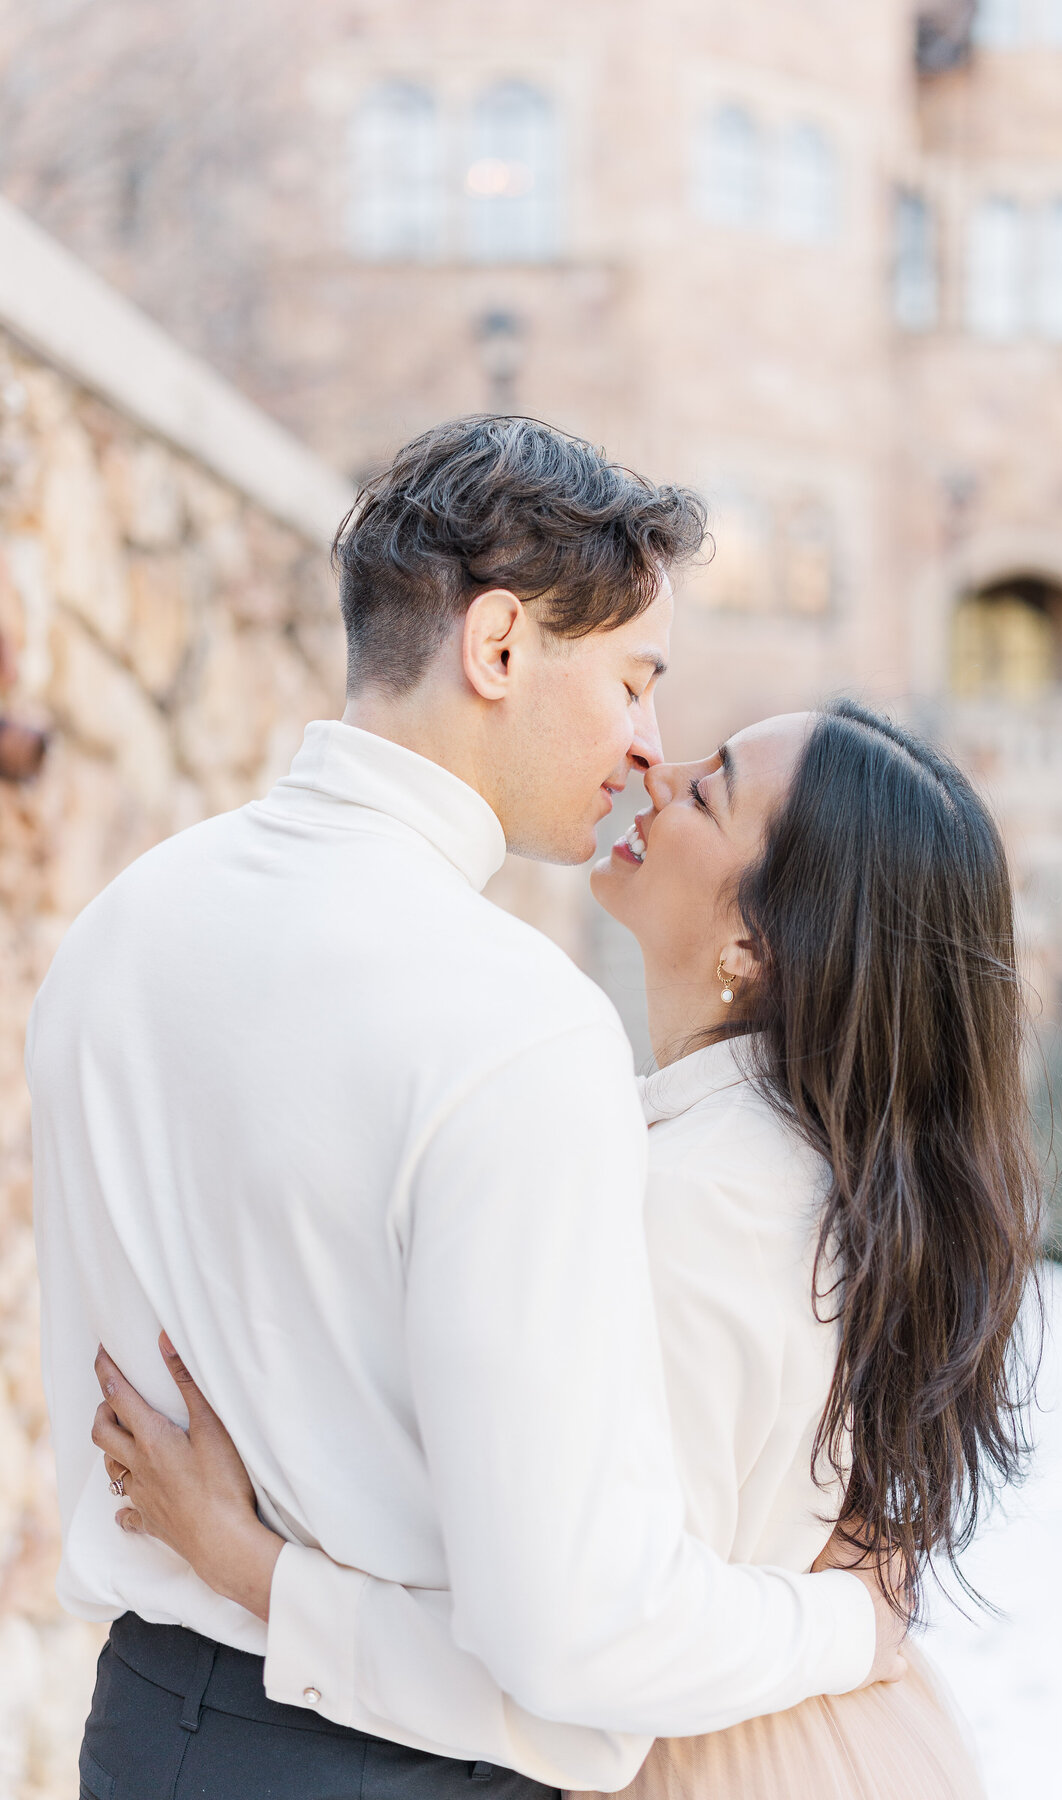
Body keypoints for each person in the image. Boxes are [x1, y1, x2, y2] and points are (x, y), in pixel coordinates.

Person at [30, 418, 903, 1800]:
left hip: (141, 1731)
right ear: (498, 647)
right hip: (405, 1763)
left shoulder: (121, 924)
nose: (647, 745)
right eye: (633, 679)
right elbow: (578, 1638)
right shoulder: (520, 1024)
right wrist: (853, 1617)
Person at [93, 699, 1042, 1799]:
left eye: (709, 786)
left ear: (755, 940)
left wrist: (248, 1568)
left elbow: (592, 1662)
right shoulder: (765, 1162)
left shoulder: (708, 1204)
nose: (655, 761)